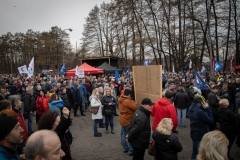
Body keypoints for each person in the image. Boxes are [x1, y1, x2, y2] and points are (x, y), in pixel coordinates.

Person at [187, 95, 214, 160]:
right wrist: (208, 109)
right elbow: (211, 120)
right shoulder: (199, 111)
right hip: (200, 133)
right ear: (200, 103)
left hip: (194, 132)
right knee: (199, 152)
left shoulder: (192, 107)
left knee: (195, 151)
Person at [118, 89, 138, 155]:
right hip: (127, 120)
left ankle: (125, 148)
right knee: (130, 135)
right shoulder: (127, 101)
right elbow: (135, 107)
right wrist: (133, 102)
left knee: (124, 135)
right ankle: (131, 150)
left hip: (122, 119)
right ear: (129, 94)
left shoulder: (121, 99)